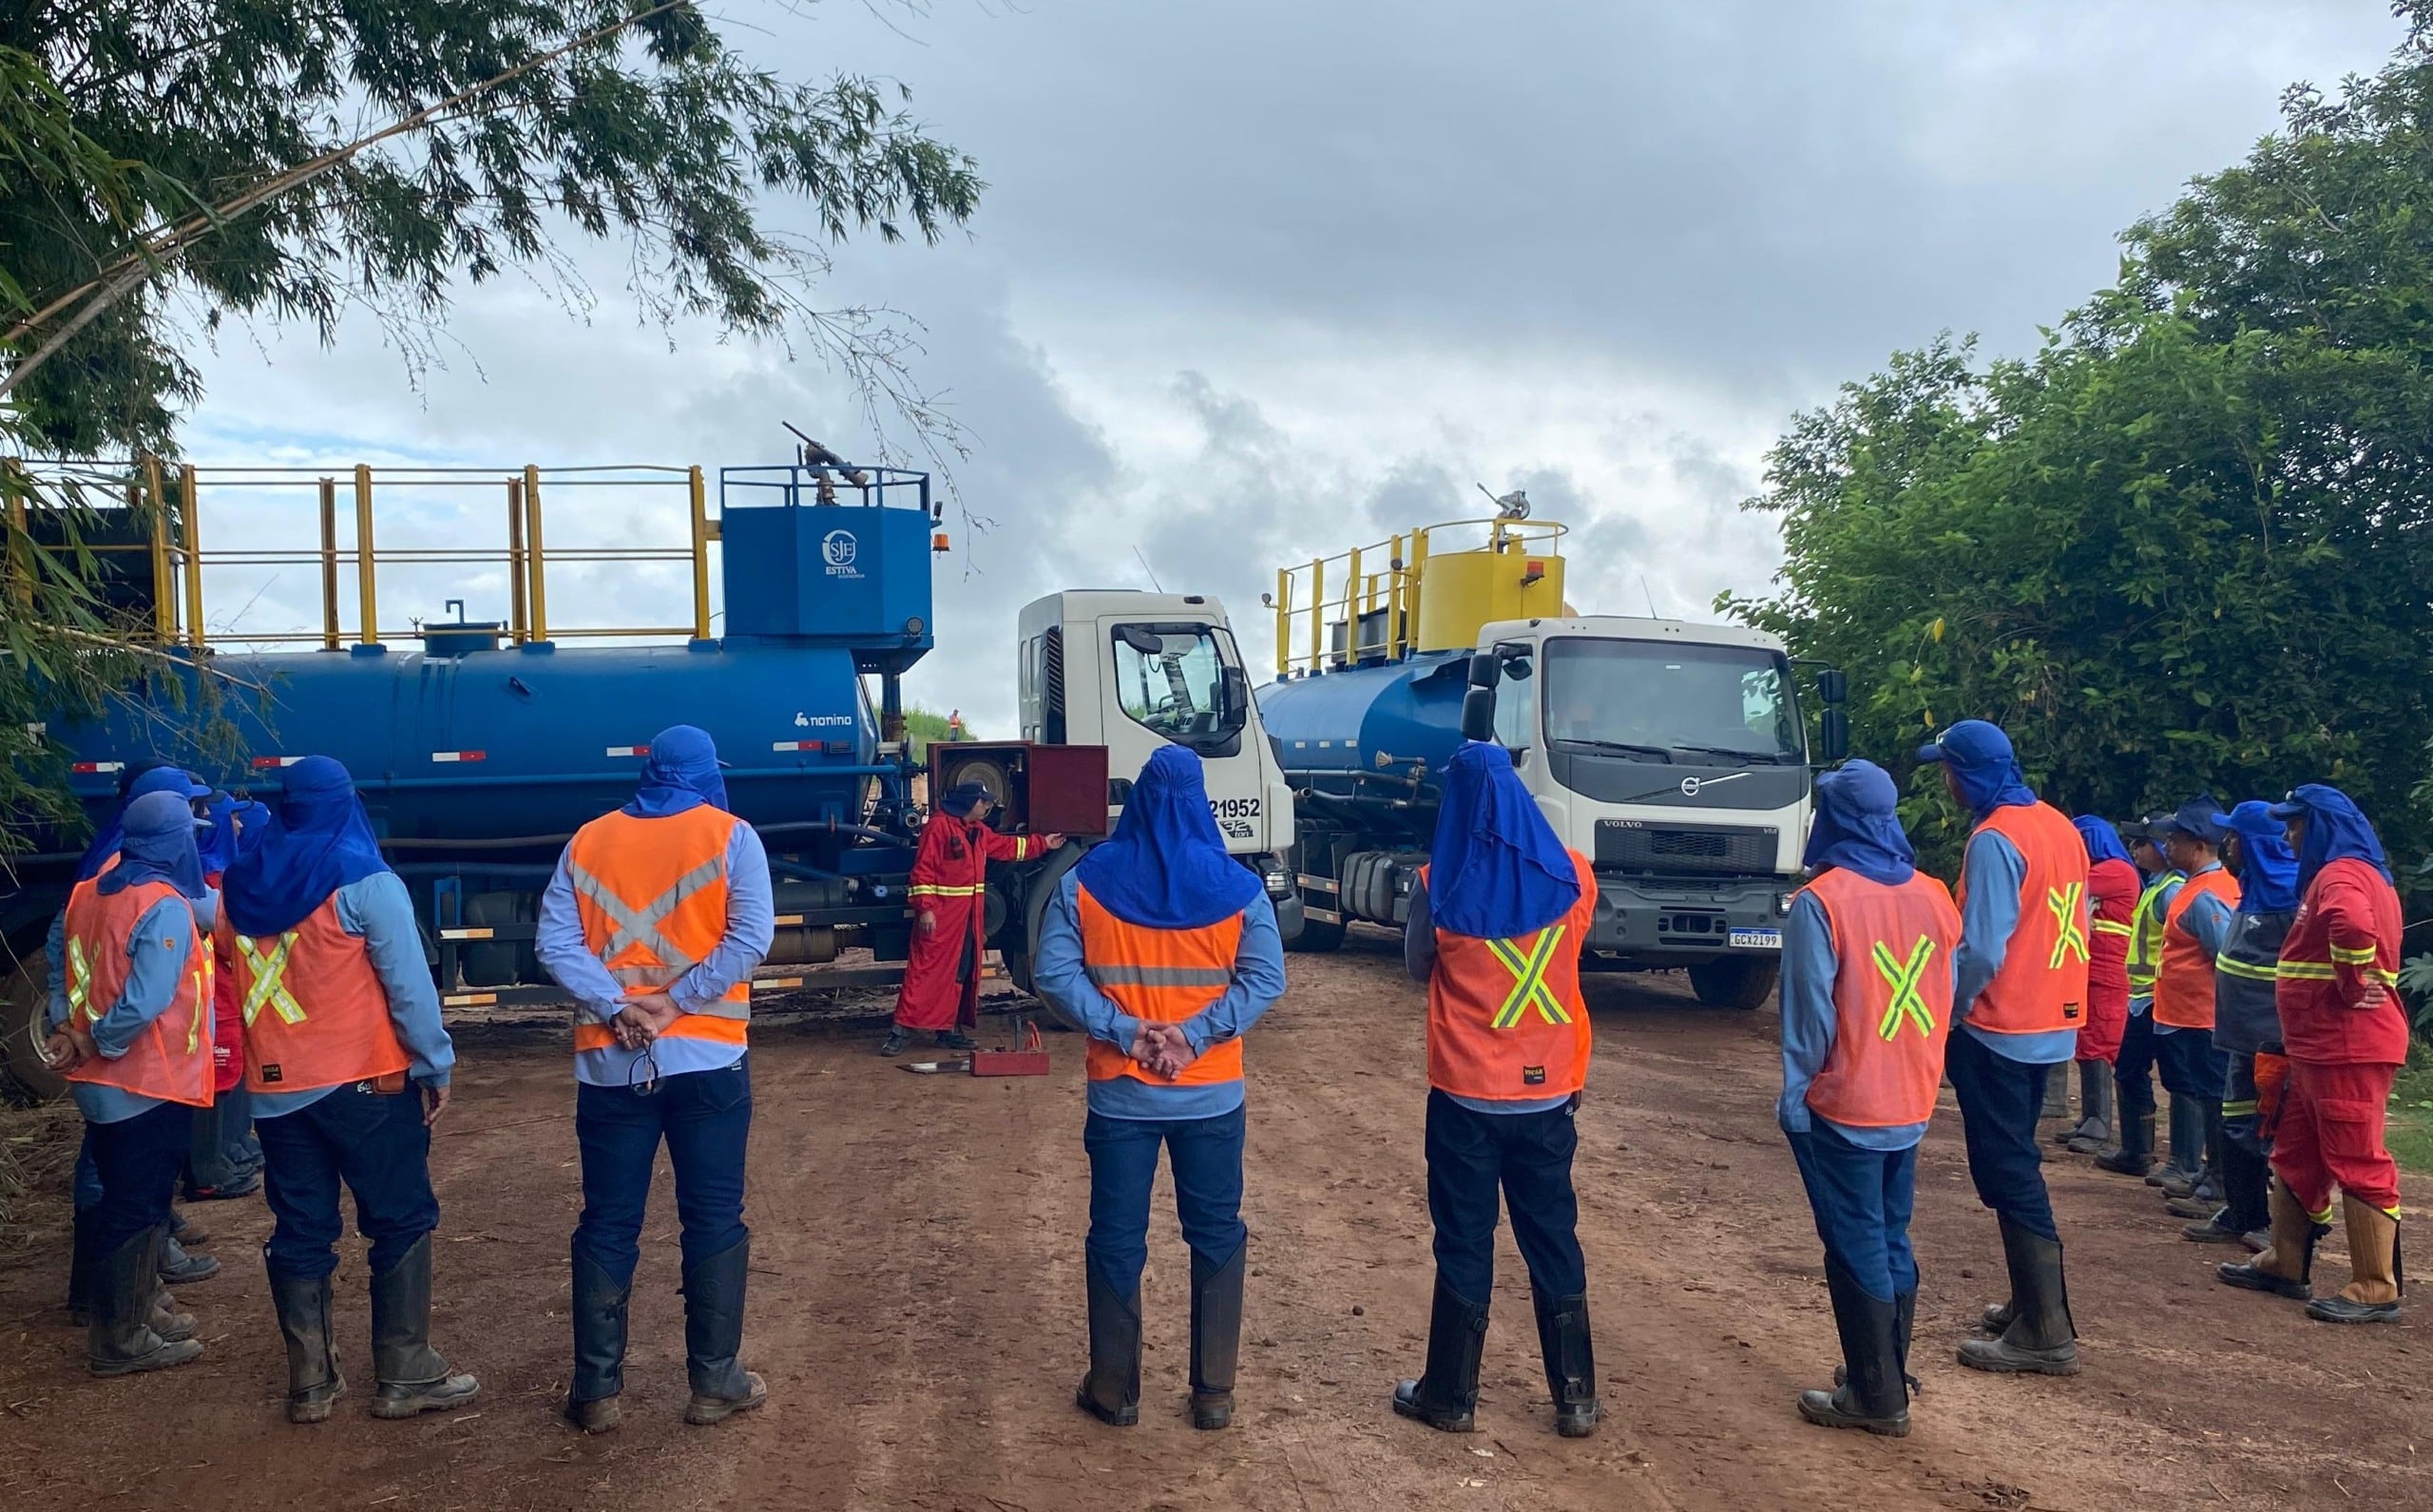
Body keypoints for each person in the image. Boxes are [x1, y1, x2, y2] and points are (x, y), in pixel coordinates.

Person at [1034, 745, 1282, 1432]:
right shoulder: (1240, 889)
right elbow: (1266, 978)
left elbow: (1054, 974)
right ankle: (1213, 1394)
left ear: (1139, 800)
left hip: (1122, 1095)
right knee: (1216, 1230)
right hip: (1211, 1095)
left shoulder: (1085, 882)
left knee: (1117, 1236)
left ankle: (1115, 1391)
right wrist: (1195, 1037)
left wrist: (1126, 1031)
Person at [536, 725, 776, 1432]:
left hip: (611, 1067)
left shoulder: (588, 841)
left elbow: (555, 942)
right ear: (704, 773)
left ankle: (596, 1391)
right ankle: (714, 1380)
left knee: (607, 1222)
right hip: (708, 1061)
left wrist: (617, 1006)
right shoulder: (733, 837)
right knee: (713, 1216)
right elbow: (749, 938)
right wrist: (677, 1002)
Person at [220, 756, 474, 1425]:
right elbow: (409, 988)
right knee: (399, 1216)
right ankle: (405, 1369)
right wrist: (435, 1064)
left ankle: (310, 1382)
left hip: (276, 1093)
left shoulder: (240, 887)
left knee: (301, 1226)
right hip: (366, 1083)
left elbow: (220, 950)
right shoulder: (367, 883)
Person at [1393, 741, 1602, 1439]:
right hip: (1549, 1095)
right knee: (1552, 1236)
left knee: (1463, 1238)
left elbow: (1417, 963)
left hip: (1466, 1096)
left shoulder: (1438, 883)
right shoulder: (1575, 876)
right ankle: (1575, 1396)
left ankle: (1450, 1396)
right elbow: (1573, 946)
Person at [1778, 761, 1960, 1438]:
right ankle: (1883, 1367)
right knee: (1889, 1231)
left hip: (1845, 1099)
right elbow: (1948, 989)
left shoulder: (1822, 901)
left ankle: (1876, 1395)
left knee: (1853, 1237)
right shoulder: (1934, 894)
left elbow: (1809, 1015)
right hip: (1912, 1094)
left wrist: (1796, 1094)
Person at [1917, 720, 2088, 1377]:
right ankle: (2031, 1303)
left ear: (1967, 774)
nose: (1945, 782)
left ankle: (2045, 1328)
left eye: (1947, 770)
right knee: (2018, 1159)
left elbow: (1984, 947)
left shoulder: (1995, 839)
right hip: (2051, 1021)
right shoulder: (2057, 825)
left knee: (2008, 1169)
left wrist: (1950, 1010)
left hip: (2001, 1025)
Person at [43, 789, 219, 1376]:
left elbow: (63, 960)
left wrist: (68, 1028)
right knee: (135, 1205)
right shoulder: (162, 904)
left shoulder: (88, 892)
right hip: (144, 1080)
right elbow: (145, 1000)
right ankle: (120, 1337)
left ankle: (141, 1312)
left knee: (130, 1198)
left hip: (100, 1081)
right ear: (175, 842)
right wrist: (98, 1039)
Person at [2219, 785, 2407, 1323]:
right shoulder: (2351, 874)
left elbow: (2353, 925)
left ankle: (2376, 1285)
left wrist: (2350, 984)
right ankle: (2285, 1260)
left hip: (2345, 1047)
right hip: (2318, 1048)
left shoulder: (2341, 876)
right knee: (2296, 1152)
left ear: (2321, 826)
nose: (2287, 837)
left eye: (2295, 825)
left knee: (2357, 1157)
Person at [2183, 801, 2298, 1248]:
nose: (2226, 844)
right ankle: (2242, 1212)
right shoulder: (2251, 888)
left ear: (2255, 843)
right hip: (2240, 1039)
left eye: (2234, 837)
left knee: (2271, 1132)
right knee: (2235, 1123)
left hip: (2274, 1043)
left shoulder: (2291, 898)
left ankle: (2278, 1233)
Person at [881, 782, 1060, 1058]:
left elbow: (1006, 847)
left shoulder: (977, 831)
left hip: (967, 920)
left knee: (960, 973)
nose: (987, 806)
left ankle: (948, 1030)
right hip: (942, 918)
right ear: (967, 802)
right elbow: (922, 871)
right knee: (925, 973)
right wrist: (926, 909)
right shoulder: (939, 828)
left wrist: (1043, 844)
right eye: (982, 801)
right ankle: (900, 1032)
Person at [2148, 801, 2239, 1220]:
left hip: (2203, 1017)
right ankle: (2210, 1174)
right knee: (2206, 1095)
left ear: (2199, 846)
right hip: (2192, 1014)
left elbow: (2224, 955)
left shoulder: (2206, 895)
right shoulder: (2197, 886)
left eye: (2175, 839)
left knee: (2214, 1097)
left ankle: (2218, 1182)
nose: (2167, 845)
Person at [185, 792, 266, 1202]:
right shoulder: (208, 882)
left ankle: (226, 1151)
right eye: (231, 817)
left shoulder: (217, 878)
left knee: (229, 1074)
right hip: (216, 996)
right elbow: (231, 937)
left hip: (226, 995)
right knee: (217, 1080)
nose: (238, 825)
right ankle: (208, 1170)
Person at [2097, 822, 2183, 1180]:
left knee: (2176, 1079)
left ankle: (2165, 1157)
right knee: (2131, 1070)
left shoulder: (2171, 890)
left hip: (2158, 998)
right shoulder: (2155, 886)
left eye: (2143, 842)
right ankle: (2137, 1150)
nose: (2134, 847)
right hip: (2143, 997)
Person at [2056, 816, 2137, 1155]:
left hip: (2107, 971)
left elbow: (2066, 885)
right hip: (2094, 969)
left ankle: (2099, 1121)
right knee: (2088, 1039)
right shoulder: (2113, 870)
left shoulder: (2115, 871)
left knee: (2099, 1041)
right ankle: (2091, 1116)